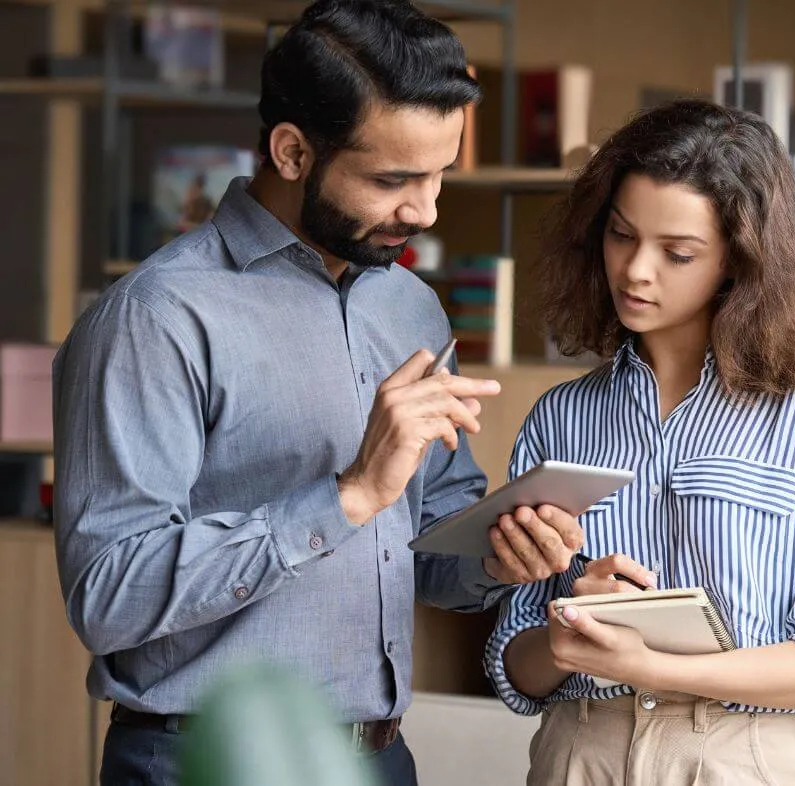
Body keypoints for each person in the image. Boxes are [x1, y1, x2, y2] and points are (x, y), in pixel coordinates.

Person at [51, 2, 583, 785]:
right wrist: (348, 496)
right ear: (292, 151)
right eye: (392, 179)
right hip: (202, 758)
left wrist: (504, 556)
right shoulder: (156, 318)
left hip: (381, 756)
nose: (425, 210)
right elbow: (108, 594)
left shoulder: (410, 306)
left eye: (439, 173)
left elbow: (429, 550)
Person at [483, 99, 795, 785]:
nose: (636, 270)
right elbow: (516, 665)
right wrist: (565, 637)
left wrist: (656, 668)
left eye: (677, 252)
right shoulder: (560, 417)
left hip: (744, 758)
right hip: (580, 757)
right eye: (621, 236)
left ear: (739, 261)